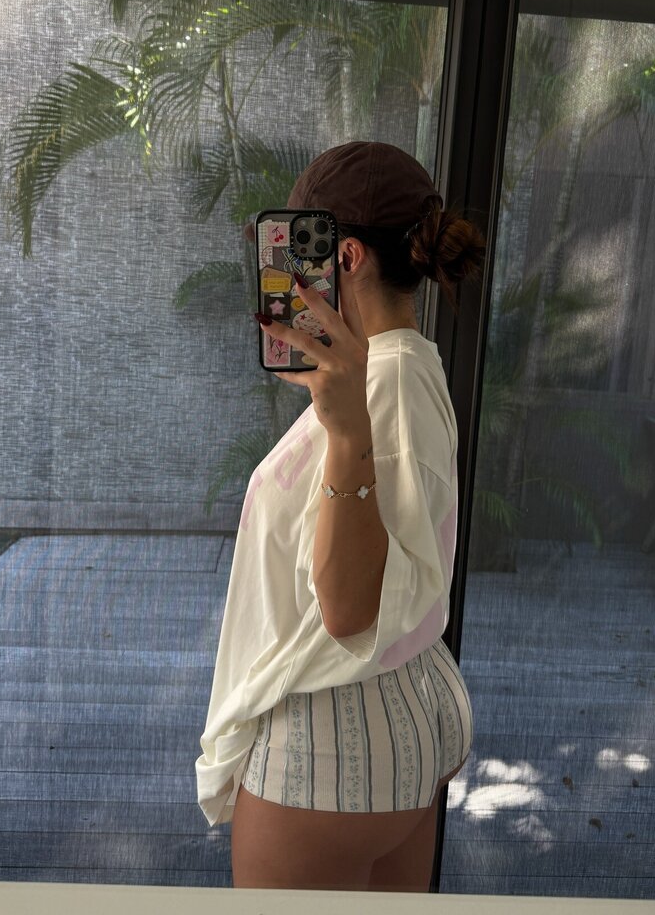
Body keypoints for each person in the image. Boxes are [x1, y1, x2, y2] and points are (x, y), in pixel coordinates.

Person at [195, 140, 487, 892]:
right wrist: (336, 414)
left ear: (345, 256)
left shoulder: (381, 388)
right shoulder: (407, 366)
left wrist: (348, 429)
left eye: (301, 251)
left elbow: (350, 609)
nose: (291, 274)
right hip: (401, 722)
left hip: (325, 747)